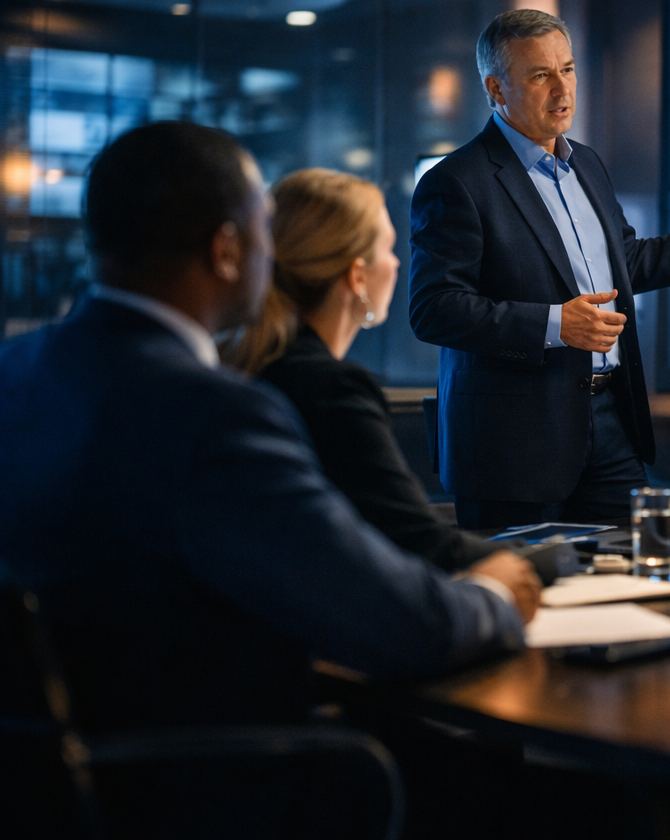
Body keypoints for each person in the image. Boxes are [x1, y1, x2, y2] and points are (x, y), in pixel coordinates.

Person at [0, 123, 541, 836]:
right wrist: (496, 595)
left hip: (45, 793)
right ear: (227, 250)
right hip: (202, 796)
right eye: (263, 228)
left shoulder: (17, 373)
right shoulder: (211, 415)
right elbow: (406, 627)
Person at [410, 9, 670, 529]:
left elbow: (625, 264)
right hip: (511, 445)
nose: (562, 89)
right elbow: (434, 309)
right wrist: (556, 325)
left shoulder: (587, 163)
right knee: (527, 581)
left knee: (642, 565)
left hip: (608, 422)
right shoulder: (456, 181)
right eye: (541, 75)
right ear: (496, 88)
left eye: (568, 69)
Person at [227, 167, 502, 572]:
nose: (397, 263)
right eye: (388, 248)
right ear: (357, 276)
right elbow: (420, 541)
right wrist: (548, 562)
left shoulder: (256, 365)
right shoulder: (331, 389)